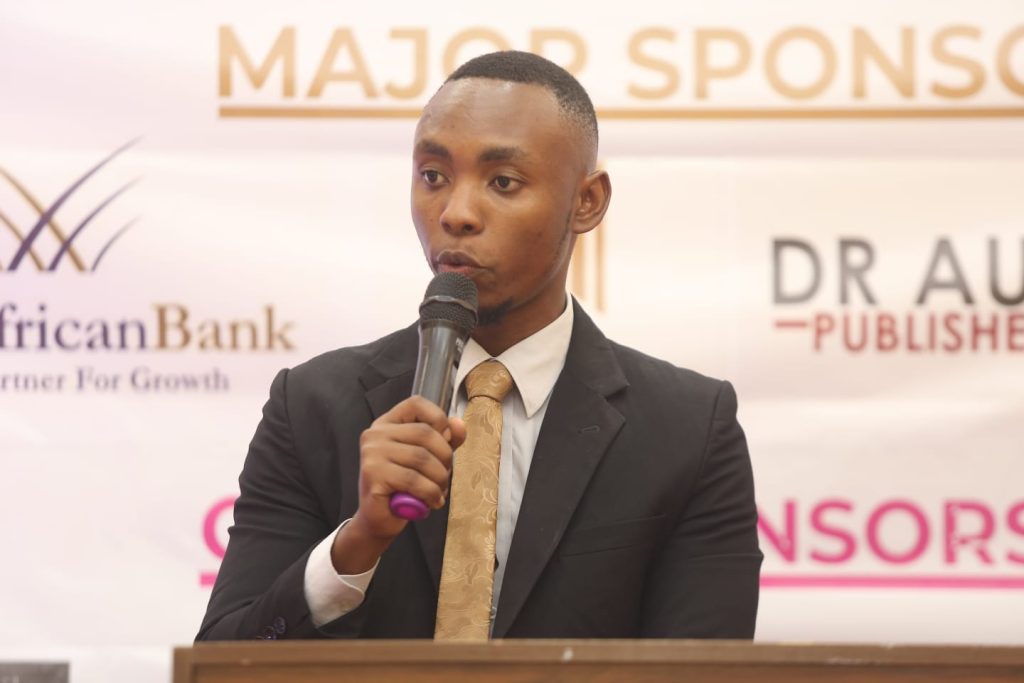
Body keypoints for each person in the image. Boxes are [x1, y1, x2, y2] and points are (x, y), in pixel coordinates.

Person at [197, 50, 761, 641]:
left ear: (587, 201)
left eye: (503, 182)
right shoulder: (311, 406)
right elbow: (224, 662)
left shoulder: (691, 428)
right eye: (433, 176)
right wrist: (357, 543)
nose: (456, 213)